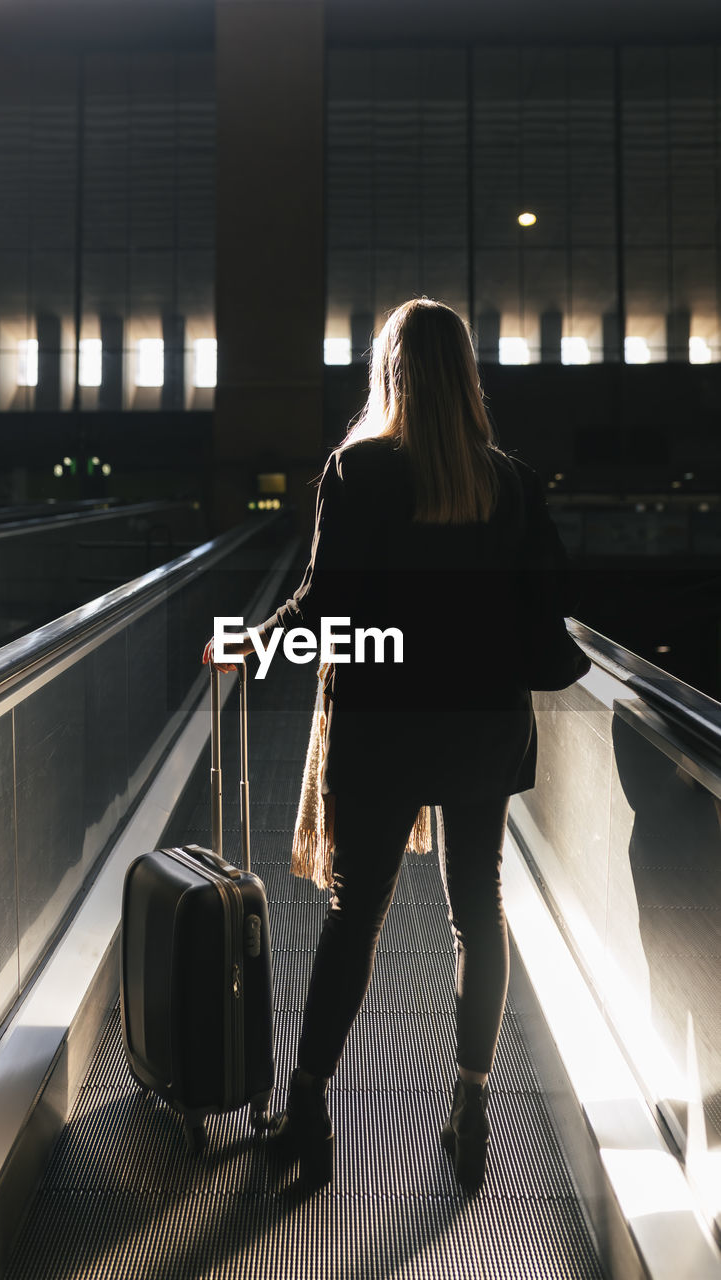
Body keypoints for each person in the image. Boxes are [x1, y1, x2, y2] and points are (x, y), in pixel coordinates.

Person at [203, 298, 575, 1193]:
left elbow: (326, 610)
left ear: (390, 373)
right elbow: (545, 602)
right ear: (466, 377)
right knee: (476, 908)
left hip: (384, 725)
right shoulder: (510, 482)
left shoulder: (359, 472)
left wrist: (248, 643)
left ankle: (309, 1109)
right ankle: (471, 1101)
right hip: (484, 725)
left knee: (353, 913)